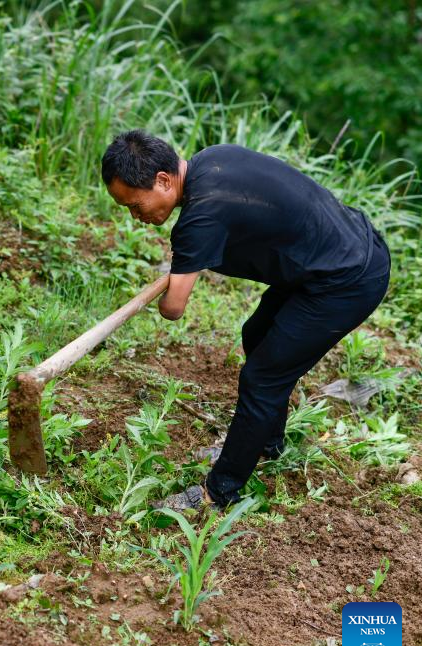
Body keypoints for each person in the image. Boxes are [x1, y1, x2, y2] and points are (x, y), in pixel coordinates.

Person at [100, 130, 391, 509]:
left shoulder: (200, 216)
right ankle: (267, 444)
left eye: (135, 205)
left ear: (163, 180)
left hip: (347, 280)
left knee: (262, 377)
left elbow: (173, 309)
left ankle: (217, 492)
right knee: (257, 334)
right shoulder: (213, 160)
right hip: (332, 255)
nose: (136, 217)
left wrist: (182, 266)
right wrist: (189, 256)